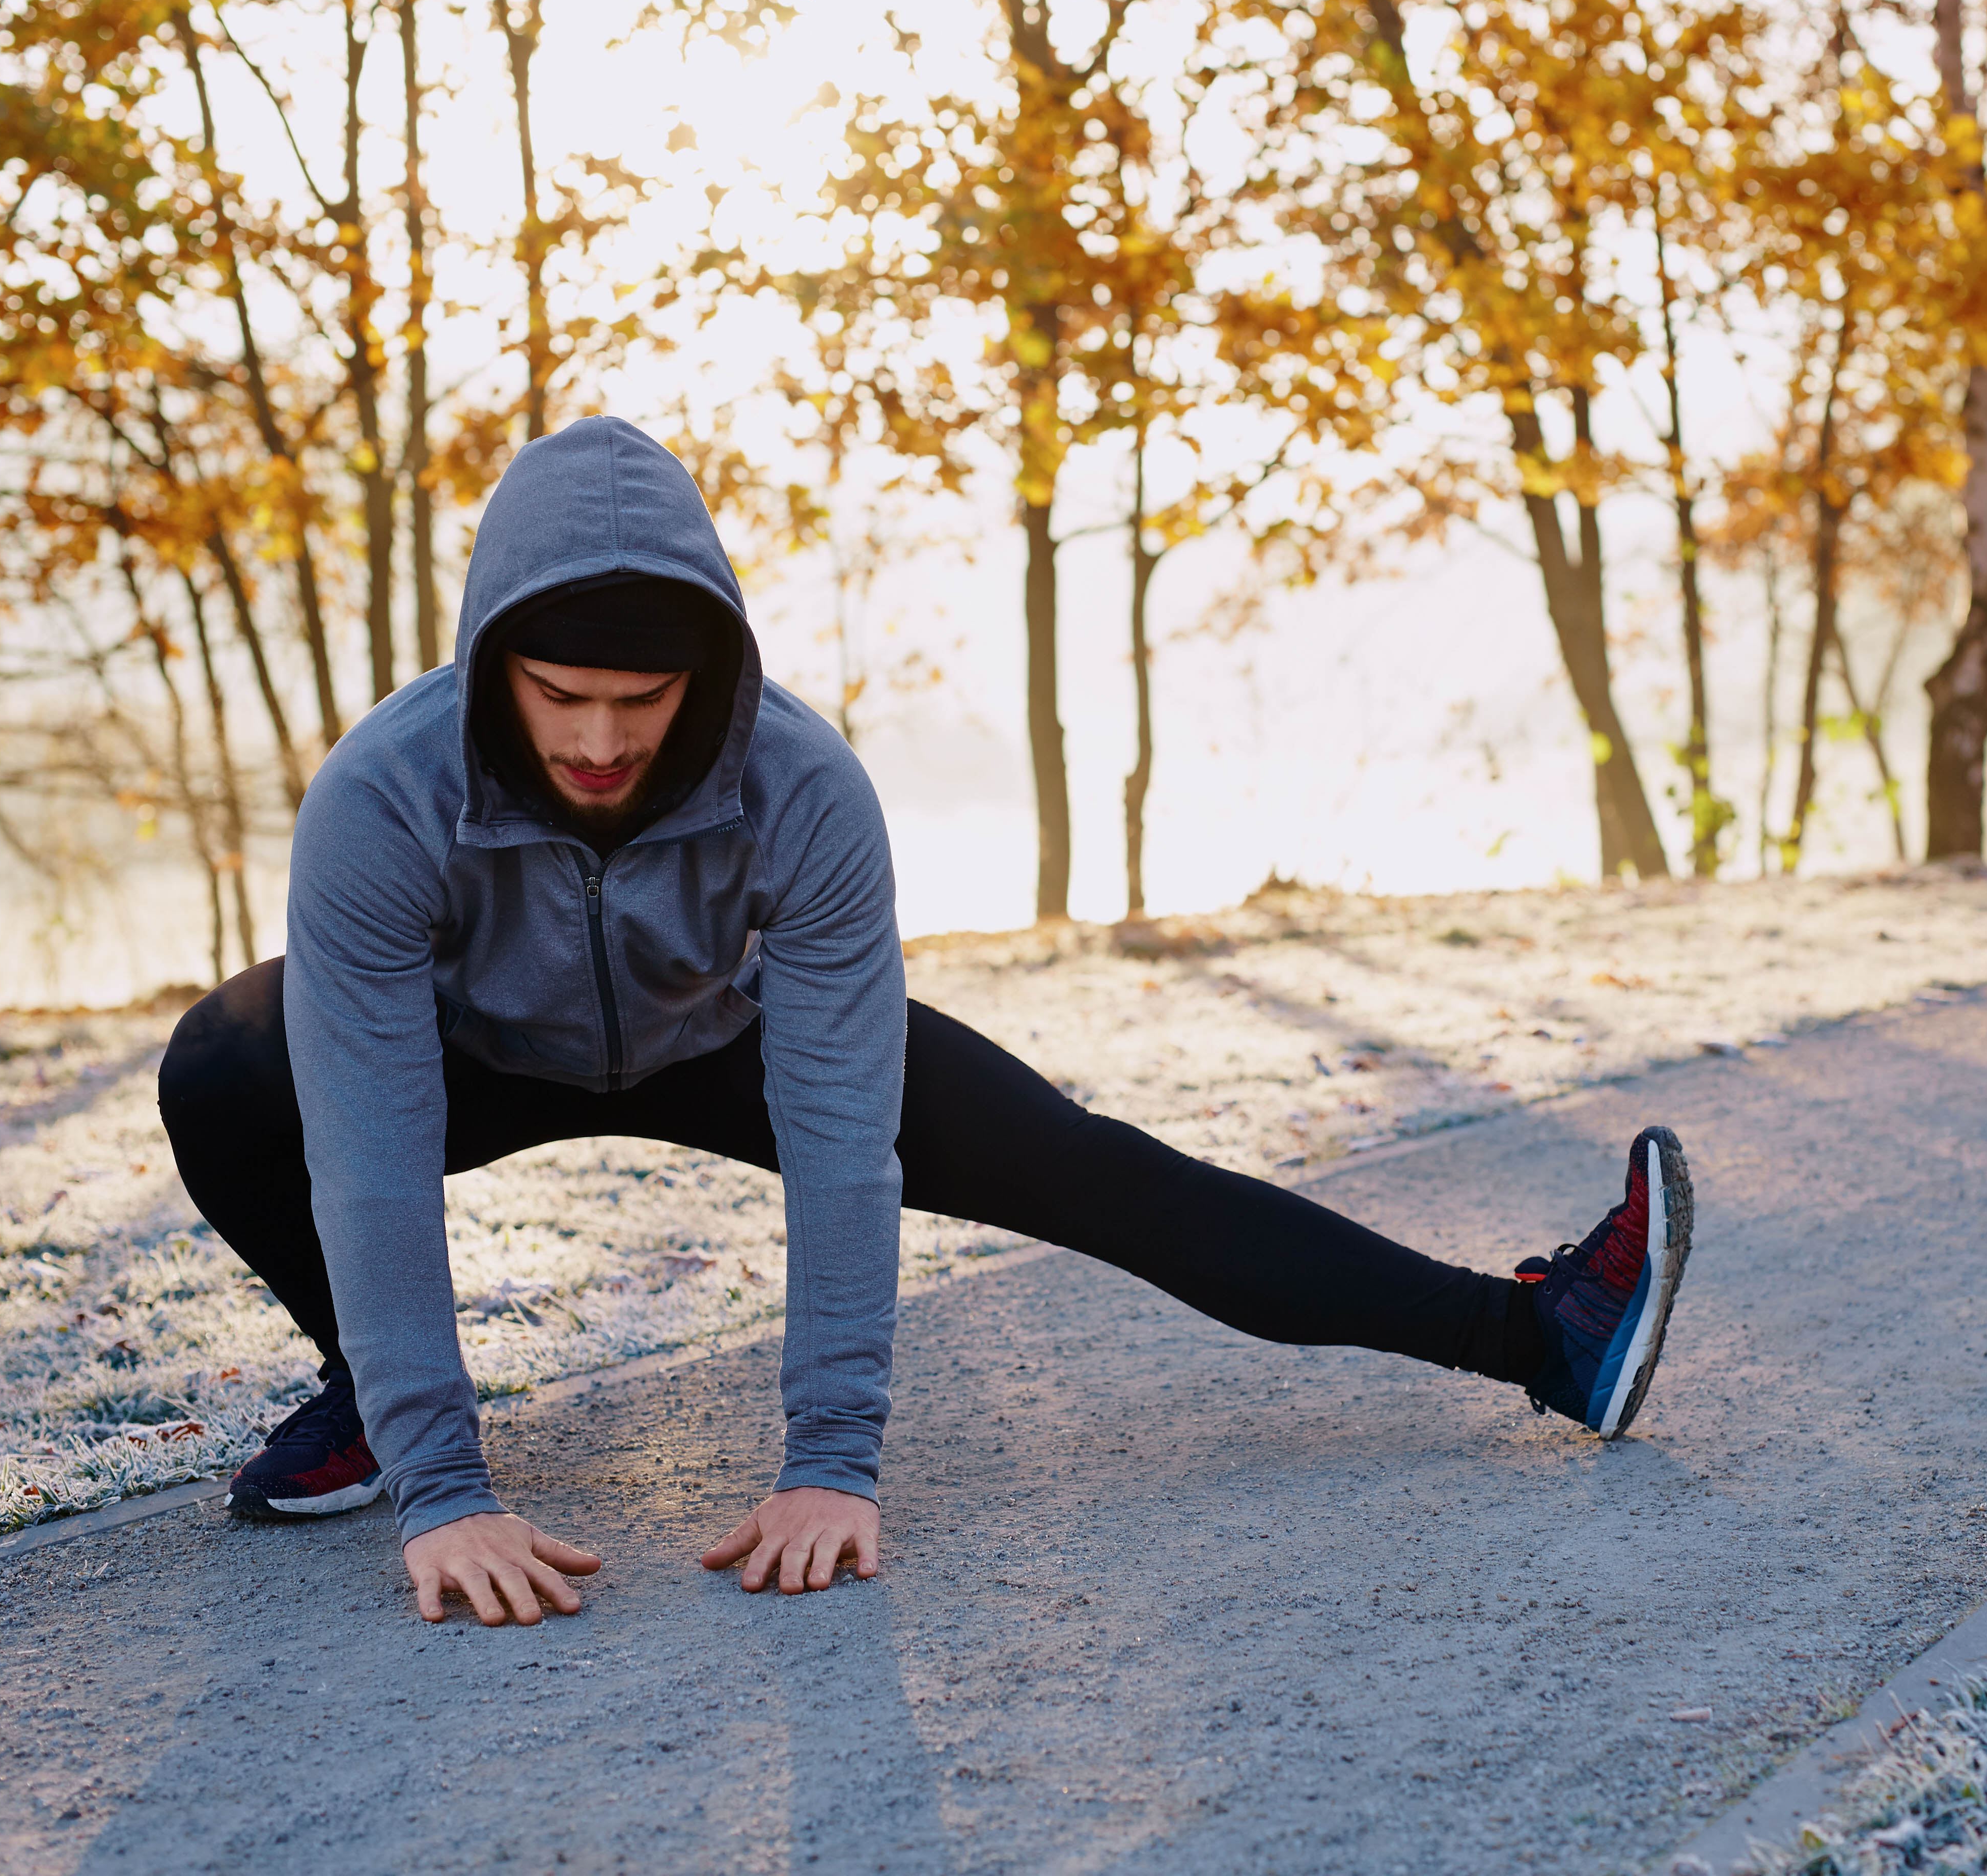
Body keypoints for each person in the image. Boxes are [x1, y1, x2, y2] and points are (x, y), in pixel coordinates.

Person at [156, 416, 1696, 1629]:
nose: (606, 739)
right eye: (565, 696)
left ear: (712, 670)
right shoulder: (382, 796)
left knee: (1097, 1169)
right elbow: (367, 1151)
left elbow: (841, 1142)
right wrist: (448, 1487)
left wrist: (832, 1458)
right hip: (468, 1047)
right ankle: (374, 1404)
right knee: (228, 1066)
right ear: (494, 661)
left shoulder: (803, 785)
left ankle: (1541, 1335)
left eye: (649, 699)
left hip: (721, 1037)